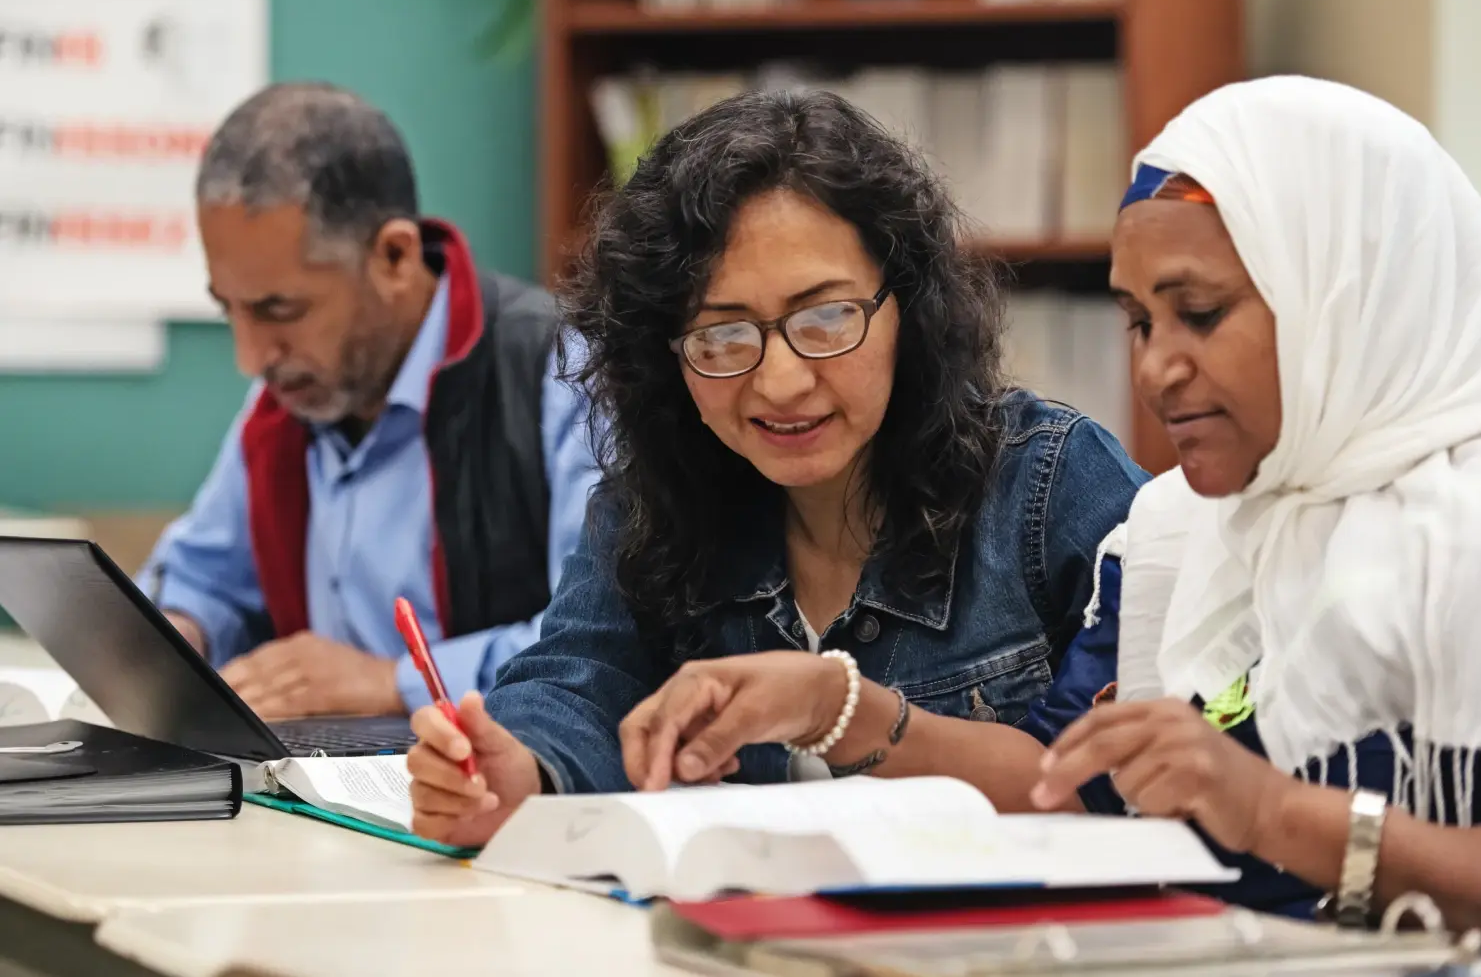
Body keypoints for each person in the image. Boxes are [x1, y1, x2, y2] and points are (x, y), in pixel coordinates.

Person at [404, 89, 1147, 846]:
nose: (782, 382)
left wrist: (840, 711)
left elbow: (1123, 787)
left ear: (909, 309)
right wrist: (517, 772)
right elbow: (578, 683)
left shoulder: (1052, 482)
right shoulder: (656, 499)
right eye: (722, 336)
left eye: (826, 318)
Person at [1024, 76, 1481, 962]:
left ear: (1342, 295)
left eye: (1198, 314)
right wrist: (843, 706)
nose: (1157, 369)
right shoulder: (1183, 522)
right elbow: (1071, 785)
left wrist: (1278, 813)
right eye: (1137, 322)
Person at [139, 83, 600, 720]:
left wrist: (393, 682)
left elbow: (597, 649)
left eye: (281, 309)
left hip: (499, 793)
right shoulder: (287, 398)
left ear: (394, 257)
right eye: (231, 310)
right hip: (312, 790)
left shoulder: (561, 375)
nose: (251, 356)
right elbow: (202, 579)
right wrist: (179, 633)